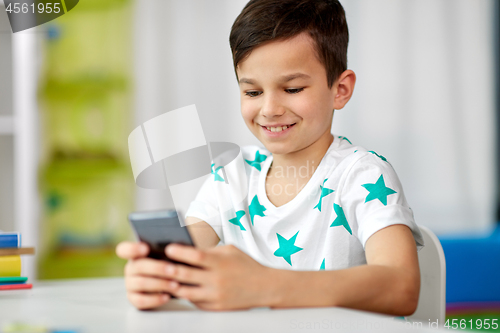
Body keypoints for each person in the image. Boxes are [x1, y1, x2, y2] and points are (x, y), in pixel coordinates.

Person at [116, 0, 424, 315]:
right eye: (252, 92)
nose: (269, 109)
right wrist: (158, 277)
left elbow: (401, 286)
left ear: (340, 89)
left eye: (292, 89)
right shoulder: (230, 175)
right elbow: (187, 260)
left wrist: (265, 285)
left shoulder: (362, 175)